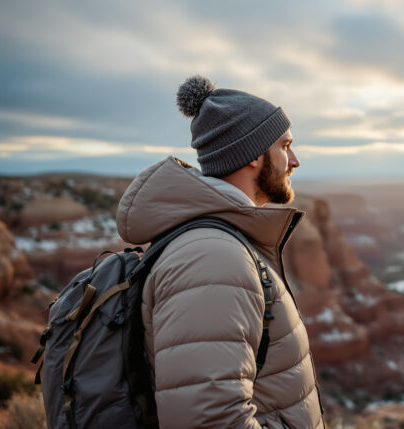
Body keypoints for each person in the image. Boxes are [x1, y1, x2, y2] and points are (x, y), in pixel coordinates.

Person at [115, 75, 324, 429]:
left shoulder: (221, 244)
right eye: (285, 145)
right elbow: (209, 419)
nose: (295, 160)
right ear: (254, 156)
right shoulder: (214, 258)